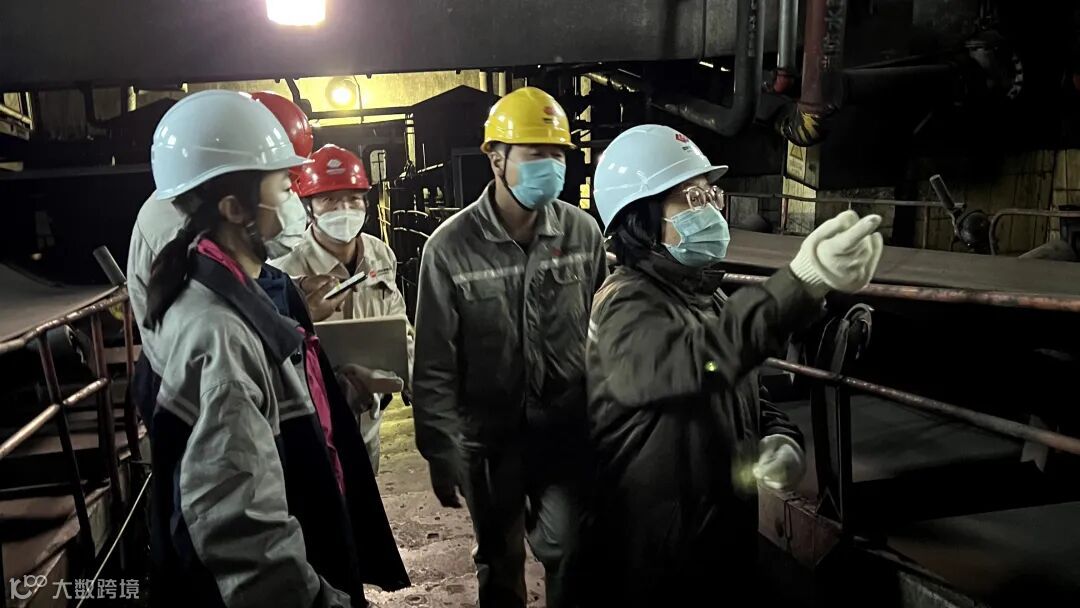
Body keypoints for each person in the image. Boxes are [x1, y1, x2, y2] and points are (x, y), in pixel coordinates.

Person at [580, 124, 884, 606]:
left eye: (711, 194)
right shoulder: (624, 305)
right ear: (642, 218)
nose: (710, 209)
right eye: (691, 197)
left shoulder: (707, 296)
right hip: (655, 556)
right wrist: (800, 284)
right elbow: (700, 361)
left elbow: (742, 386)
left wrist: (779, 436)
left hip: (717, 539)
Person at [136, 90, 408, 608]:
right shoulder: (220, 332)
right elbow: (243, 534)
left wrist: (333, 388)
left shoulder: (230, 291)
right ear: (234, 207)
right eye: (285, 185)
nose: (295, 199)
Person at [412, 87, 607, 608]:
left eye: (558, 154)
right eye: (536, 153)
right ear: (496, 160)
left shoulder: (583, 234)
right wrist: (439, 447)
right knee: (499, 561)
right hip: (489, 439)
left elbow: (603, 336)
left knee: (570, 548)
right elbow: (433, 362)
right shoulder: (448, 248)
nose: (552, 166)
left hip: (564, 430)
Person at [272, 143, 413, 473]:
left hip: (370, 420)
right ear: (309, 208)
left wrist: (412, 377)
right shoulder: (285, 269)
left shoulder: (380, 255)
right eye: (329, 200)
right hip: (317, 426)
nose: (344, 209)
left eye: (352, 198)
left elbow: (398, 323)